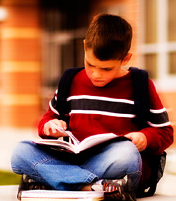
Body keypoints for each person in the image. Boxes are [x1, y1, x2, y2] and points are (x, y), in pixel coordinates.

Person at [11, 13, 173, 201]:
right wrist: (49, 127)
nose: (96, 74)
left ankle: (58, 181)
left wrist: (145, 137)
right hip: (77, 159)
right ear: (84, 47)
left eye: (106, 69)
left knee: (126, 154)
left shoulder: (141, 84)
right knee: (20, 152)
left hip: (113, 163)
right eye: (90, 64)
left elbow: (166, 133)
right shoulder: (70, 81)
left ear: (126, 58)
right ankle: (91, 187)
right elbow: (46, 120)